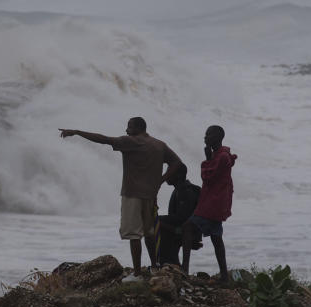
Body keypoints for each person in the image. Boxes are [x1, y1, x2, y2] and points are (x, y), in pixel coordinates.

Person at [60, 117, 182, 279]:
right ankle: (154, 267)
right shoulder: (159, 145)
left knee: (133, 234)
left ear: (138, 128)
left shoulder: (130, 142)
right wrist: (161, 179)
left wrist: (77, 132)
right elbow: (177, 163)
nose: (126, 131)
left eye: (129, 127)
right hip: (151, 195)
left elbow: (103, 139)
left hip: (132, 194)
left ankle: (137, 273)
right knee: (149, 233)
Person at [182, 125, 237, 282]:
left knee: (188, 227)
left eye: (208, 135)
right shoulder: (219, 155)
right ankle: (224, 276)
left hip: (214, 203)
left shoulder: (222, 157)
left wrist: (207, 159)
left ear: (218, 137)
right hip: (215, 202)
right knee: (216, 238)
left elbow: (208, 177)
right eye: (205, 134)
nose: (205, 138)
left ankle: (184, 270)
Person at [148, 164, 201, 266]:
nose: (166, 175)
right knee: (155, 222)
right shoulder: (179, 189)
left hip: (185, 231)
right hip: (179, 228)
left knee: (155, 223)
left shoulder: (185, 191)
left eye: (169, 172)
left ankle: (169, 263)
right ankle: (168, 262)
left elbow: (182, 218)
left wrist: (157, 219)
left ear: (178, 175)